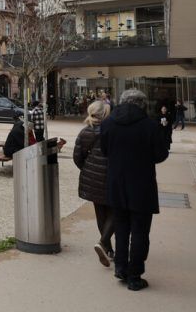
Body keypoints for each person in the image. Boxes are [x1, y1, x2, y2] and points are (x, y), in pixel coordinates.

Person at [101, 89, 170, 291]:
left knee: (121, 229)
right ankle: (135, 275)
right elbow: (160, 154)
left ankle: (121, 268)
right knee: (140, 231)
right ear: (142, 104)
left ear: (122, 102)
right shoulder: (149, 126)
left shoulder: (108, 123)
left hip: (116, 184)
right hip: (142, 186)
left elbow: (105, 151)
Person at [73, 100, 114, 267]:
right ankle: (104, 243)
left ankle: (108, 249)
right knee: (116, 211)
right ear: (105, 114)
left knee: (100, 213)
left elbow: (77, 157)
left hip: (92, 177)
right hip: (111, 176)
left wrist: (88, 169)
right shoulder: (111, 131)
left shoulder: (84, 132)